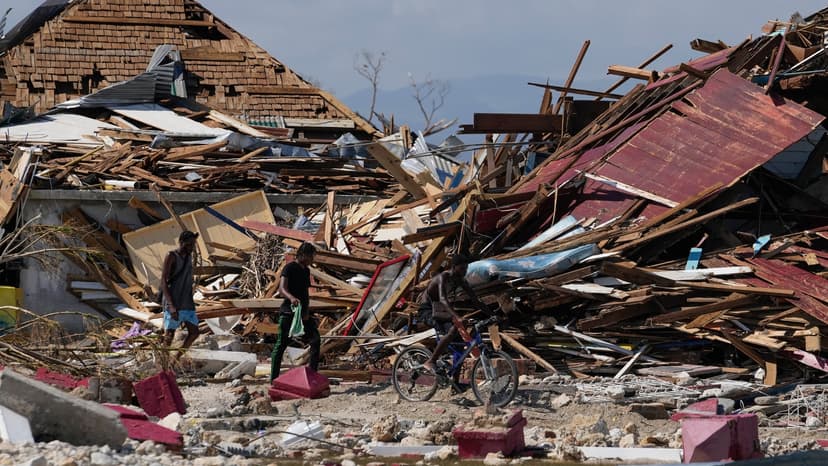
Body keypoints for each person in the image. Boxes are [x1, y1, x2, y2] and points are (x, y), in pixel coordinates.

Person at [419, 254, 488, 374]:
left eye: (466, 269)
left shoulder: (460, 280)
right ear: (454, 267)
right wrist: (457, 317)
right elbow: (442, 299)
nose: (464, 272)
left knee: (459, 346)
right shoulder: (443, 277)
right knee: (452, 328)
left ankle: (454, 380)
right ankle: (431, 361)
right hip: (427, 310)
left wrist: (492, 314)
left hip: (441, 310)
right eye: (462, 269)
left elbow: (475, 300)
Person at [270, 242, 320, 382]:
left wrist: (307, 312)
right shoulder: (290, 267)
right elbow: (282, 289)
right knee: (281, 345)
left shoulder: (306, 271)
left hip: (302, 314)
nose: (312, 260)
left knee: (315, 340)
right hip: (288, 312)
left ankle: (312, 376)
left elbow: (305, 294)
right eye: (311, 256)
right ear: (303, 255)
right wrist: (291, 298)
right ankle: (273, 379)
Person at [161, 230, 200, 354]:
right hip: (174, 301)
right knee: (170, 334)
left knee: (194, 333)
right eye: (189, 244)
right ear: (181, 243)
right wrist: (171, 305)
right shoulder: (171, 256)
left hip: (186, 301)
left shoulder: (189, 257)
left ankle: (175, 360)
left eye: (193, 245)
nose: (191, 248)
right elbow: (163, 281)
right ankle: (163, 364)